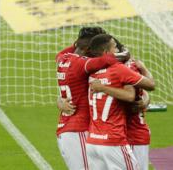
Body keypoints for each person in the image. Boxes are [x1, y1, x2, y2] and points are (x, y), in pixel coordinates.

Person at [85, 34, 155, 170]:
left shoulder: (91, 73)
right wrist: (144, 67)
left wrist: (145, 99)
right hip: (116, 139)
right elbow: (147, 87)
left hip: (93, 140)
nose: (118, 50)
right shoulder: (121, 69)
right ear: (107, 52)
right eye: (115, 47)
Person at [56, 27, 120, 170]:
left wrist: (59, 100)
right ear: (87, 48)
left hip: (71, 128)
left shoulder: (62, 58)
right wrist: (124, 53)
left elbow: (70, 50)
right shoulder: (82, 63)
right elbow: (110, 58)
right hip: (77, 131)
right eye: (95, 48)